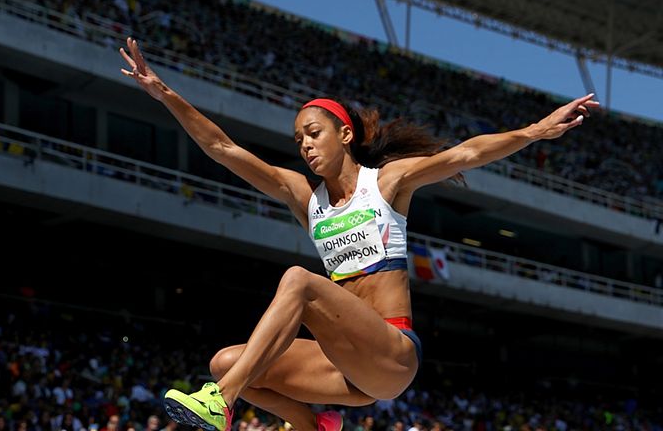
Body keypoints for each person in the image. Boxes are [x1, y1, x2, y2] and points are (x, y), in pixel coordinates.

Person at [119, 37, 599, 431]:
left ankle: (220, 402)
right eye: (298, 140)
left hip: (392, 355)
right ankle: (315, 426)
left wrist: (534, 130)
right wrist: (165, 94)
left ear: (344, 135)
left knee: (299, 281)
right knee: (227, 360)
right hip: (344, 368)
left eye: (313, 133)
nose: (304, 145)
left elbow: (466, 154)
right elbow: (222, 147)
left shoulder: (386, 183)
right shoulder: (307, 199)